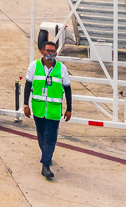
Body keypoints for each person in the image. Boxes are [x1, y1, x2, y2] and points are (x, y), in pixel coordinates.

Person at [23, 39, 72, 180]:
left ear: (56, 52)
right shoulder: (34, 66)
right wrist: (26, 105)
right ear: (42, 52)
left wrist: (69, 108)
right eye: (48, 51)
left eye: (53, 51)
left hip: (53, 110)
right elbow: (27, 86)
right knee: (41, 136)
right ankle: (47, 155)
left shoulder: (61, 68)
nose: (50, 53)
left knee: (50, 138)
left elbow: (68, 89)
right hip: (38, 109)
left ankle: (45, 166)